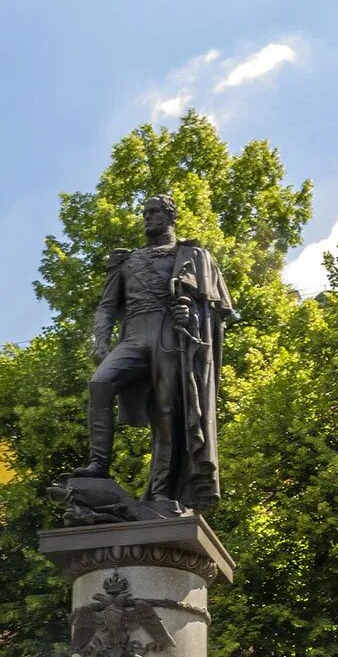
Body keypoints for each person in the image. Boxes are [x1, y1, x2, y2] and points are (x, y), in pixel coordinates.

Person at [74, 194, 235, 513]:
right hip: (133, 335)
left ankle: (161, 492)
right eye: (145, 212)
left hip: (169, 336)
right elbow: (107, 307)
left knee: (166, 416)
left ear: (170, 216)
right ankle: (98, 466)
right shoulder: (126, 260)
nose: (147, 217)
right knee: (100, 384)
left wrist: (192, 318)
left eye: (155, 212)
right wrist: (100, 342)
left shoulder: (190, 255)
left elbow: (214, 312)